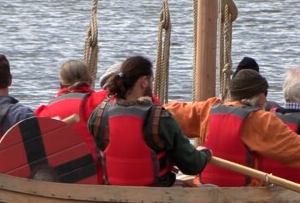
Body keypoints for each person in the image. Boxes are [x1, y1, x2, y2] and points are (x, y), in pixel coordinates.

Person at [165, 68, 300, 187]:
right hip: (243, 195)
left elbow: (170, 113)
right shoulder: (259, 120)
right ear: (261, 96)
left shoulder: (208, 109)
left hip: (205, 186)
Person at [87, 55, 210, 186]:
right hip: (155, 194)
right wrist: (205, 154)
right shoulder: (160, 118)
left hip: (113, 191)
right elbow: (191, 166)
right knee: (208, 188)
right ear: (144, 81)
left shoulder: (98, 114)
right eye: (151, 81)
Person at [35, 59, 100, 174]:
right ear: (90, 81)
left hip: (58, 180)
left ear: (60, 84)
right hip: (96, 178)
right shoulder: (101, 102)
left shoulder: (43, 113)